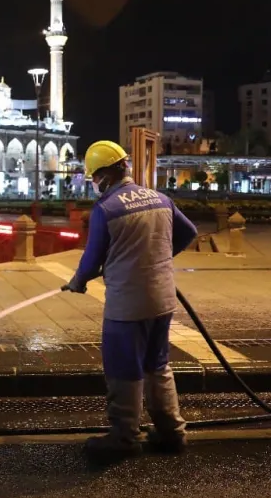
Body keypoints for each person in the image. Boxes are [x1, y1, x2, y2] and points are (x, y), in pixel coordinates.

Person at [65, 140, 198, 458]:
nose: (94, 183)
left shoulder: (106, 209)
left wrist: (78, 282)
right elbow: (188, 232)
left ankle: (124, 437)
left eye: (95, 177)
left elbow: (91, 261)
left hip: (127, 305)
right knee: (158, 365)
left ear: (105, 175)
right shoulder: (160, 199)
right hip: (162, 300)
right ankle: (172, 432)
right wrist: (157, 257)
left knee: (123, 368)